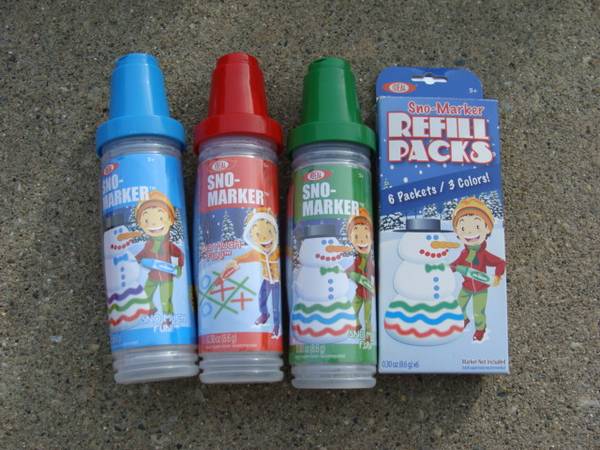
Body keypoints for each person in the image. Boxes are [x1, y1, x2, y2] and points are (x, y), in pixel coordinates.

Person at [450, 197, 506, 341]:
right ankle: (464, 319)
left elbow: (500, 263)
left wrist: (497, 276)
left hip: (481, 289)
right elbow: (456, 264)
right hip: (466, 287)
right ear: (457, 232)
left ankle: (480, 330)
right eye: (463, 228)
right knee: (458, 306)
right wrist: (450, 268)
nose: (469, 232)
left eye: (476, 226)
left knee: (478, 312)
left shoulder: (484, 254)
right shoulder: (463, 254)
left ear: (487, 228)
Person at [225, 208, 281, 337]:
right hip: (266, 280)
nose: (265, 238)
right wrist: (235, 260)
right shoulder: (258, 252)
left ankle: (276, 325)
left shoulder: (276, 251)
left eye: (269, 232)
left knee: (276, 305)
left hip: (276, 282)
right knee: (261, 298)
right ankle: (264, 314)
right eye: (258, 235)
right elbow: (246, 256)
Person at [133, 191, 184, 324]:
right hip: (152, 276)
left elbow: (180, 254)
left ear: (170, 220)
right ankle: (151, 310)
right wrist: (135, 259)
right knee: (145, 295)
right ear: (140, 223)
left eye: (160, 218)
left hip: (166, 278)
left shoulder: (168, 244)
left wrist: (179, 267)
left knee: (165, 300)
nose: (154, 224)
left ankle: (168, 319)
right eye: (146, 220)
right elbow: (142, 254)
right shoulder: (148, 244)